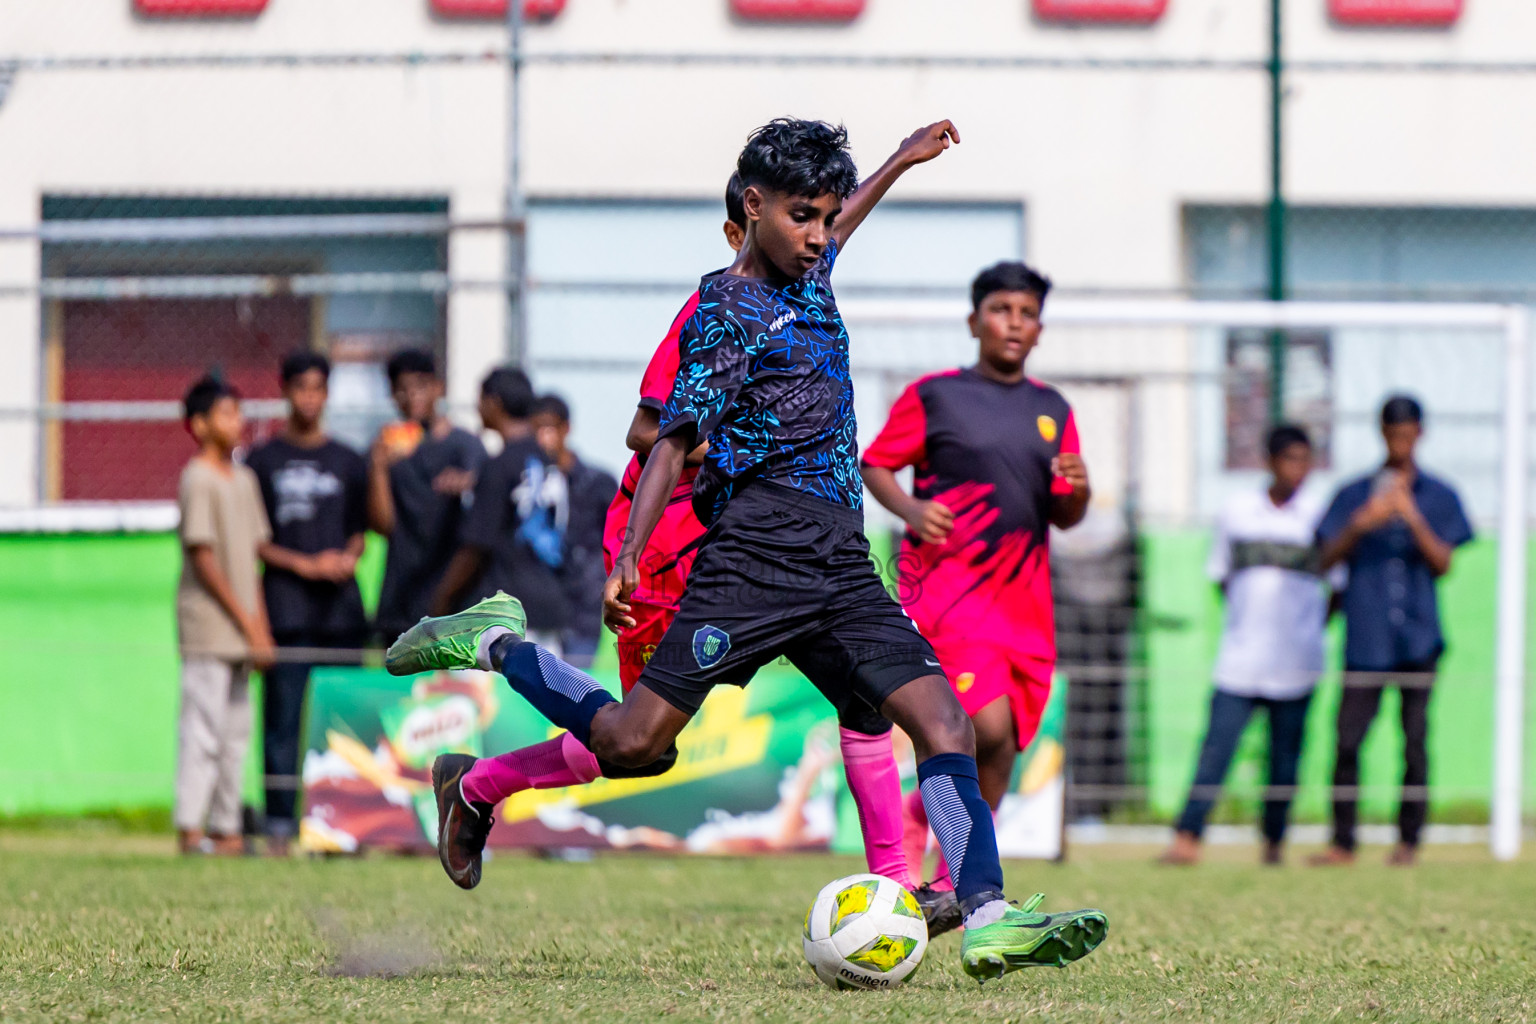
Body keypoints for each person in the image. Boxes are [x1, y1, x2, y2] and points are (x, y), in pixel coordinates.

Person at [386, 118, 1107, 982]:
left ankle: (986, 913)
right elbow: (666, 436)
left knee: (939, 721)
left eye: (826, 217)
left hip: (839, 562)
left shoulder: (814, 267)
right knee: (633, 742)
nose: (818, 234)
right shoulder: (725, 310)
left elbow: (846, 220)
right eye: (803, 216)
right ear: (751, 208)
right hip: (753, 559)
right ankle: (498, 644)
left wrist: (901, 162)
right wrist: (629, 557)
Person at [859, 260, 1090, 893]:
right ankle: (945, 855)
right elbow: (875, 464)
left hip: (1024, 605)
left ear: (1039, 329)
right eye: (1001, 310)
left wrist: (1079, 492)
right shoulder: (936, 396)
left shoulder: (1052, 408)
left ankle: (941, 872)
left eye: (1027, 313)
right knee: (980, 725)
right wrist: (909, 508)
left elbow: (1066, 513)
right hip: (948, 592)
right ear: (974, 320)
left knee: (1005, 742)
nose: (1014, 323)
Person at [1159, 424, 1333, 867]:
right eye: (1290, 459)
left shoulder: (1319, 518)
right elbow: (1222, 578)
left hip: (1297, 662)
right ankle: (1187, 837)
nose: (1298, 470)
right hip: (1240, 660)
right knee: (1216, 750)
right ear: (1270, 462)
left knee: (1285, 760)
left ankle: (1274, 842)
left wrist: (1307, 629)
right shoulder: (1237, 511)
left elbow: (1336, 587)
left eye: (1305, 460)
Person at [1310, 395, 1472, 867]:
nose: (1400, 442)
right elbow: (1322, 560)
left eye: (1408, 434)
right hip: (1366, 638)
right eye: (1392, 434)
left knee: (1416, 740)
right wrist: (1362, 524)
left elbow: (1444, 564)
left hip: (1419, 639)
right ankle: (1343, 842)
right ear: (1381, 432)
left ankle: (1409, 841)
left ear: (1420, 433)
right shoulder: (1353, 495)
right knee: (1347, 739)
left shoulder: (1440, 495)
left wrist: (1411, 516)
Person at [245, 352, 369, 855]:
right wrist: (305, 565)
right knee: (283, 720)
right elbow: (255, 539)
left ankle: (343, 825)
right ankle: (279, 825)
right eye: (301, 388)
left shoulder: (348, 459)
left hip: (340, 614)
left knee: (342, 722)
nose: (310, 398)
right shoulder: (261, 461)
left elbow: (360, 531)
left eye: (318, 388)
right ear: (285, 391)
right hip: (286, 611)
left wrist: (346, 558)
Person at [173, 375, 274, 856]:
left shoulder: (246, 479)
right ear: (199, 424)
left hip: (244, 629)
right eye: (226, 413)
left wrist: (261, 627)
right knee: (203, 730)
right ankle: (191, 830)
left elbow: (249, 561)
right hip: (210, 626)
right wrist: (243, 620)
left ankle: (227, 829)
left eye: (239, 412)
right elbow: (205, 559)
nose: (237, 422)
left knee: (236, 734)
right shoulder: (197, 477)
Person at [431, 368, 571, 649]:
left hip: (507, 615)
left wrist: (440, 601)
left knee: (486, 693)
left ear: (493, 403)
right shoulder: (548, 462)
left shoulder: (500, 466)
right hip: (549, 607)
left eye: (480, 399)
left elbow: (475, 546)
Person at [369, 349, 486, 642]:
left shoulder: (465, 446)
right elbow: (383, 526)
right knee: (401, 687)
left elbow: (487, 505)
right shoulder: (385, 449)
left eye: (420, 386)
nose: (411, 396)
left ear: (438, 388)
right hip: (400, 595)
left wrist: (468, 482)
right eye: (401, 389)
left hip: (454, 599)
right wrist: (379, 470)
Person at [531, 393, 619, 667]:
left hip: (585, 607)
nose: (544, 437)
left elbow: (620, 537)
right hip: (541, 607)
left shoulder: (599, 482)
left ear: (565, 428)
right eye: (537, 429)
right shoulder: (529, 484)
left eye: (549, 427)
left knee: (576, 684)